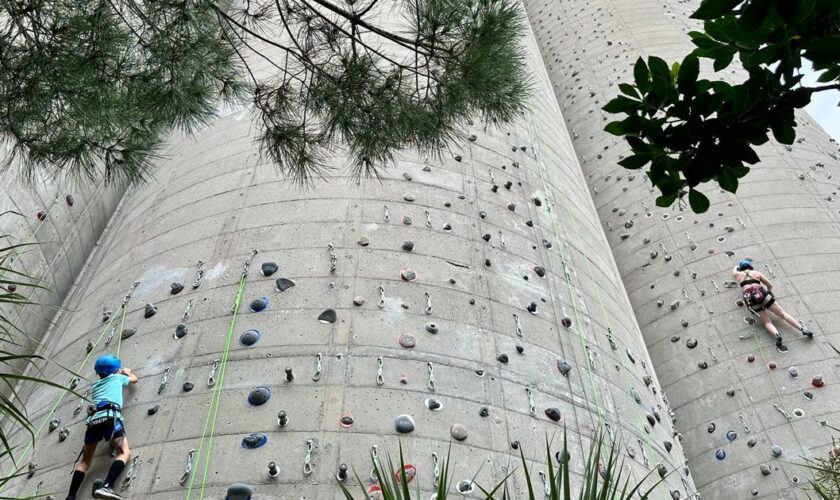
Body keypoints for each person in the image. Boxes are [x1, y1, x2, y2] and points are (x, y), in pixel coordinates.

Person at [66, 354, 138, 500]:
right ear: (116, 371)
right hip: (110, 418)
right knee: (124, 453)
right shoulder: (118, 378)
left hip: (93, 422)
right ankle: (107, 486)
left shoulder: (95, 386)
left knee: (85, 462)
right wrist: (127, 372)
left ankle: (70, 497)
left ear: (98, 373)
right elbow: (134, 380)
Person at [733, 257, 815, 352]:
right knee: (783, 314)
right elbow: (769, 285)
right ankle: (802, 329)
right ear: (750, 266)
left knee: (767, 322)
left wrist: (737, 268)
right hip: (762, 294)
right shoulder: (756, 273)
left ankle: (777, 334)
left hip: (751, 300)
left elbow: (734, 269)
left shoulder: (737, 275)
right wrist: (768, 292)